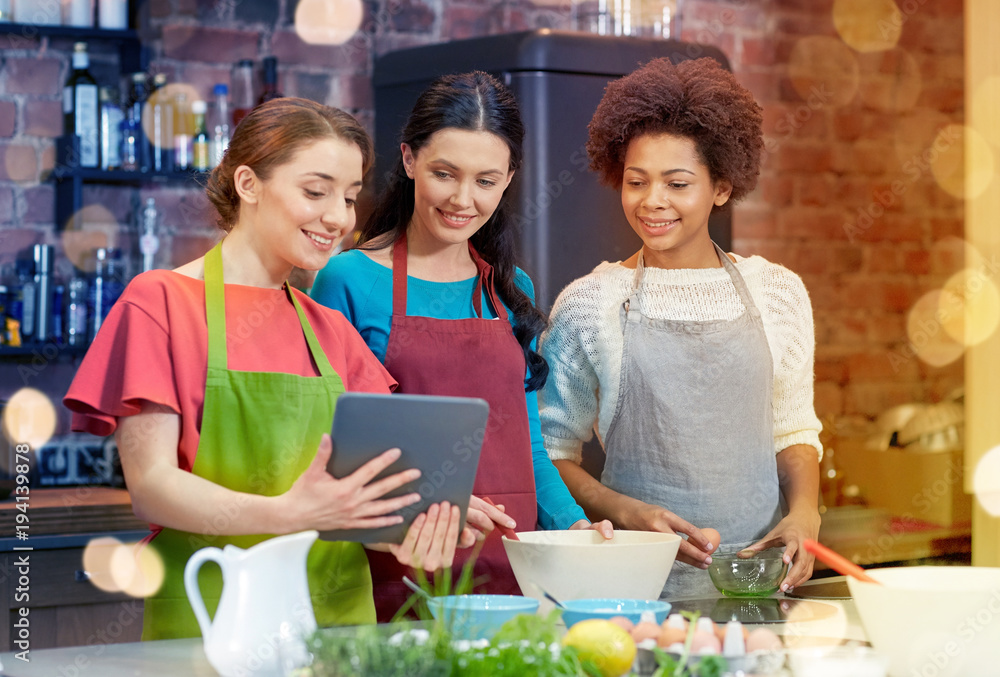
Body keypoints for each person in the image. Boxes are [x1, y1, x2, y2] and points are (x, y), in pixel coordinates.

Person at [64, 98, 464, 640]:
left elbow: (350, 504)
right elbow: (152, 487)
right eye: (315, 191)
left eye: (348, 198)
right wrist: (290, 513)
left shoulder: (331, 331)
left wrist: (412, 522)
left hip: (335, 629)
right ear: (249, 184)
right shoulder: (159, 303)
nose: (338, 218)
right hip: (212, 622)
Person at [311, 71, 612, 620]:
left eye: (486, 181)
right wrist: (426, 503)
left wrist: (576, 527)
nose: (462, 199)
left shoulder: (511, 289)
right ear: (408, 160)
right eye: (444, 174)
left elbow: (529, 446)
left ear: (508, 180)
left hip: (513, 562)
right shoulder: (346, 280)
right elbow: (331, 448)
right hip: (401, 560)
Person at [538, 57, 823, 599]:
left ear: (721, 187)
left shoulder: (777, 292)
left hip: (760, 583)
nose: (653, 202)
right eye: (636, 181)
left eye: (677, 183)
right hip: (634, 587)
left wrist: (805, 513)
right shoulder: (590, 303)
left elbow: (793, 429)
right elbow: (551, 452)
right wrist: (626, 510)